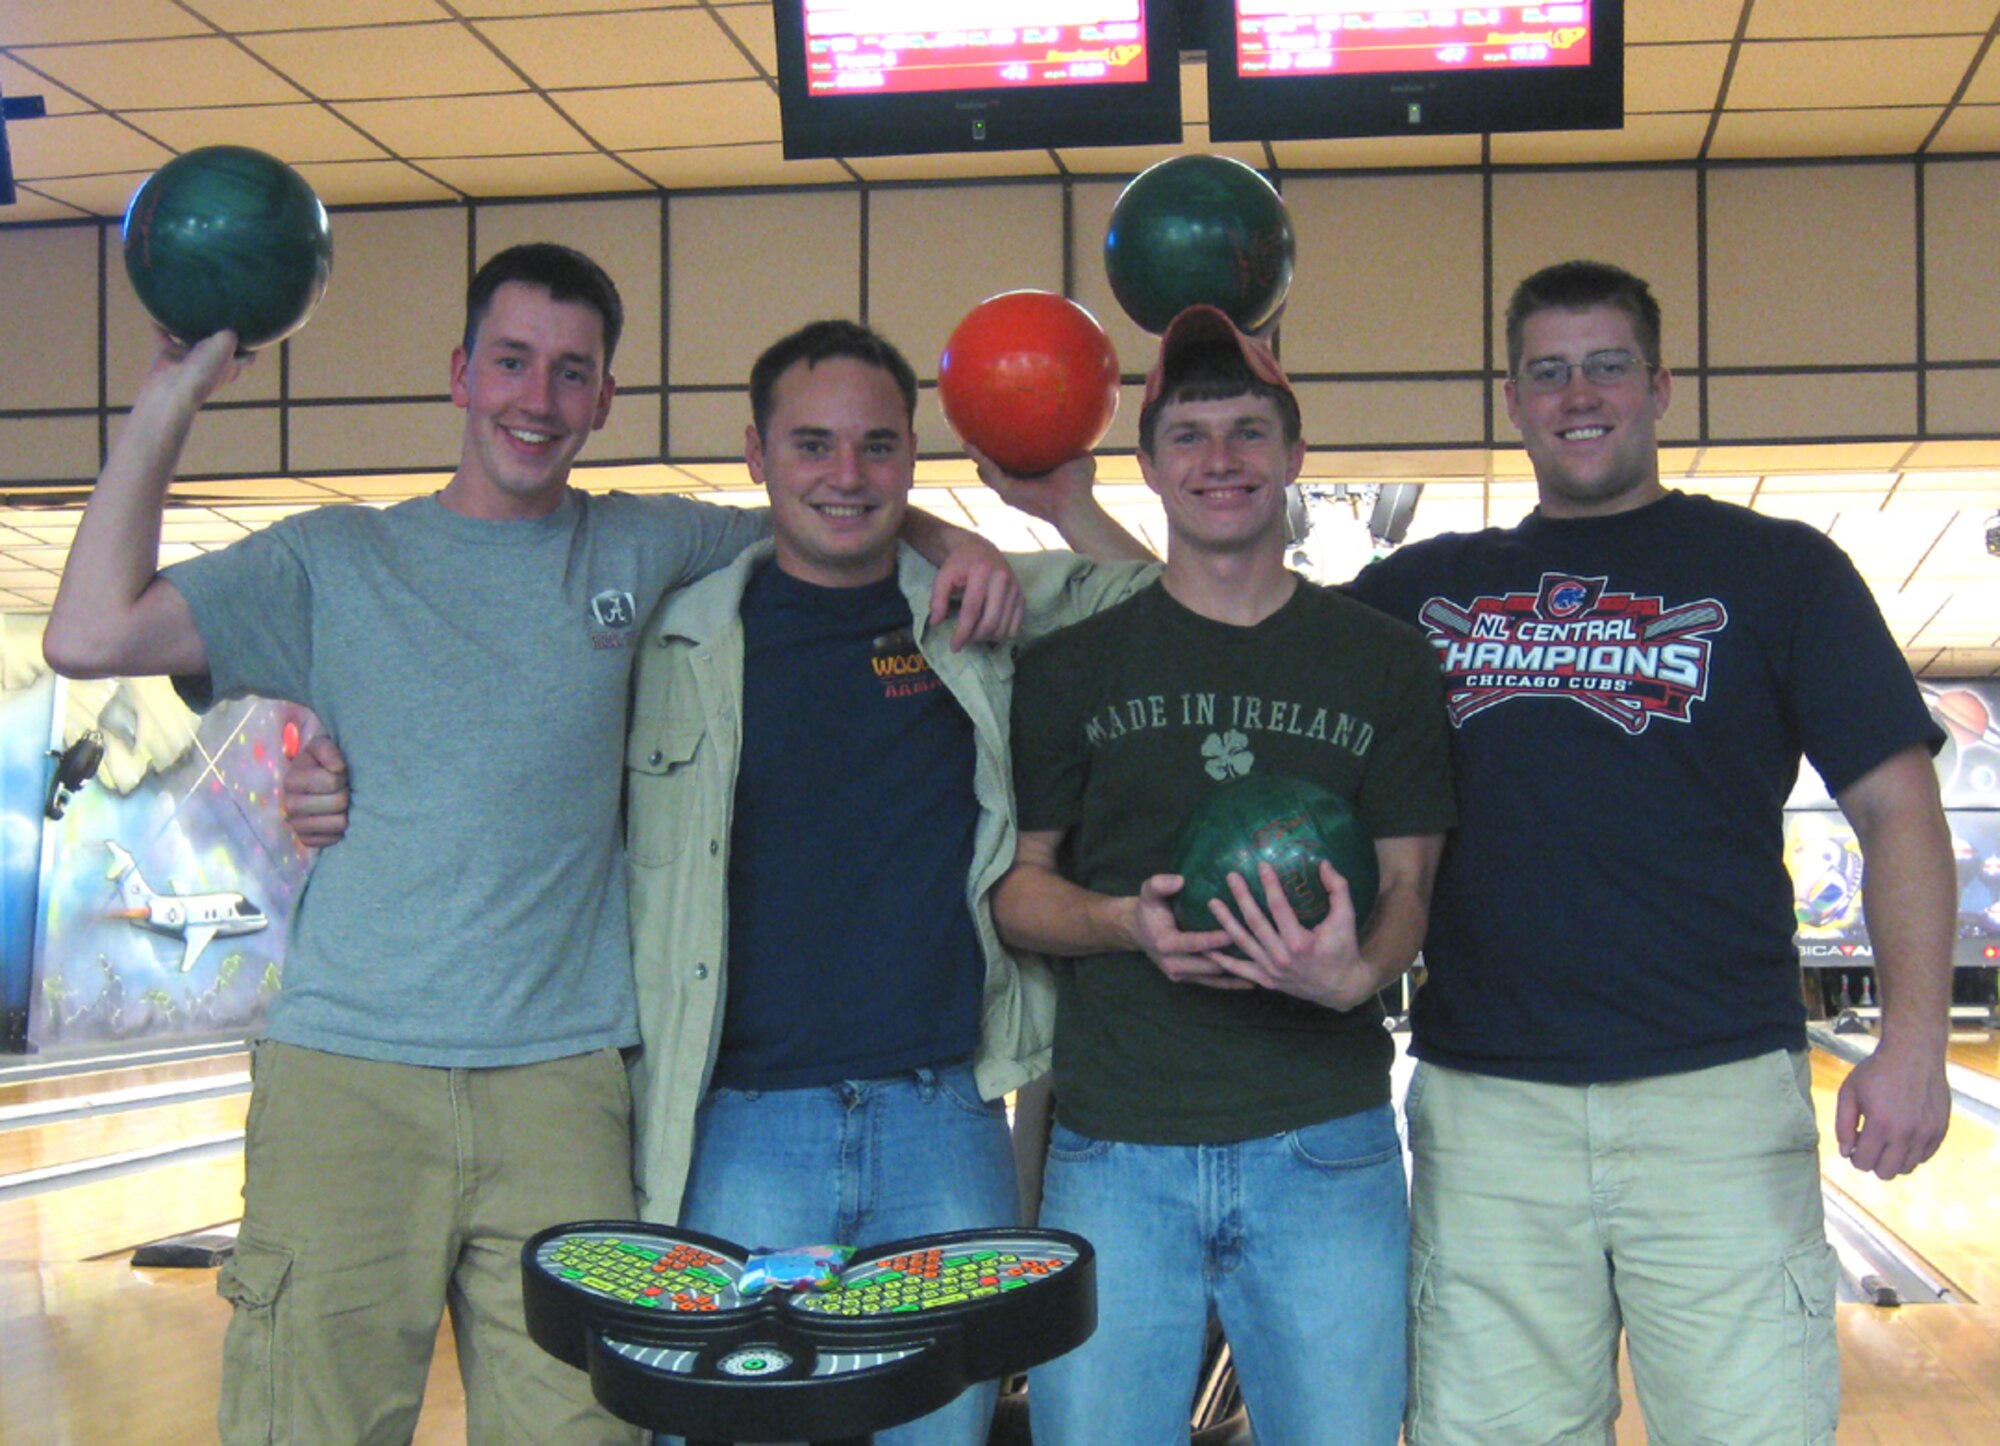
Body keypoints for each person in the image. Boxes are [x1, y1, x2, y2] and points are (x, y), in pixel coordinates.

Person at [41, 245, 1018, 1445]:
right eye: (510, 362)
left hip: (566, 1090)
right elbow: (88, 633)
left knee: (584, 1429)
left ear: (604, 400)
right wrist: (167, 399)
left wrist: (945, 535)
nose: (536, 399)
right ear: (459, 374)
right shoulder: (331, 561)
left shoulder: (648, 549)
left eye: (570, 373)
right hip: (354, 1075)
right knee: (309, 1423)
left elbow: (825, 506)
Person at [1346, 258, 1956, 1446]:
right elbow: (1218, 619)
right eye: (1548, 371)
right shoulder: (1416, 591)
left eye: (1608, 365)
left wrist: (1915, 1041)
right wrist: (1063, 508)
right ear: (1512, 400)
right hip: (1488, 1107)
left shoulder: (1779, 573)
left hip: (1714, 1103)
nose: (1580, 393)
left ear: (1659, 386)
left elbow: (1895, 808)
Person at [620, 318, 1158, 1446]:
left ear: (915, 456)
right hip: (738, 1129)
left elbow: (1168, 616)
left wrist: (1054, 505)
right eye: (811, 446)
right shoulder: (674, 639)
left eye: (878, 448)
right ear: (756, 455)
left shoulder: (978, 611)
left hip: (941, 1119)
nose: (846, 476)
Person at [990, 305, 1457, 1446]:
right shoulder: (1066, 668)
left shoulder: (1382, 662)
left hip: (1324, 1145)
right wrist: (1118, 923)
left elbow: (1407, 889)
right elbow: (1015, 891)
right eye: (1188, 436)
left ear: (1292, 455)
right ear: (1145, 466)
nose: (1220, 461)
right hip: (1111, 1148)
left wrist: (1350, 979)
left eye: (1248, 432)